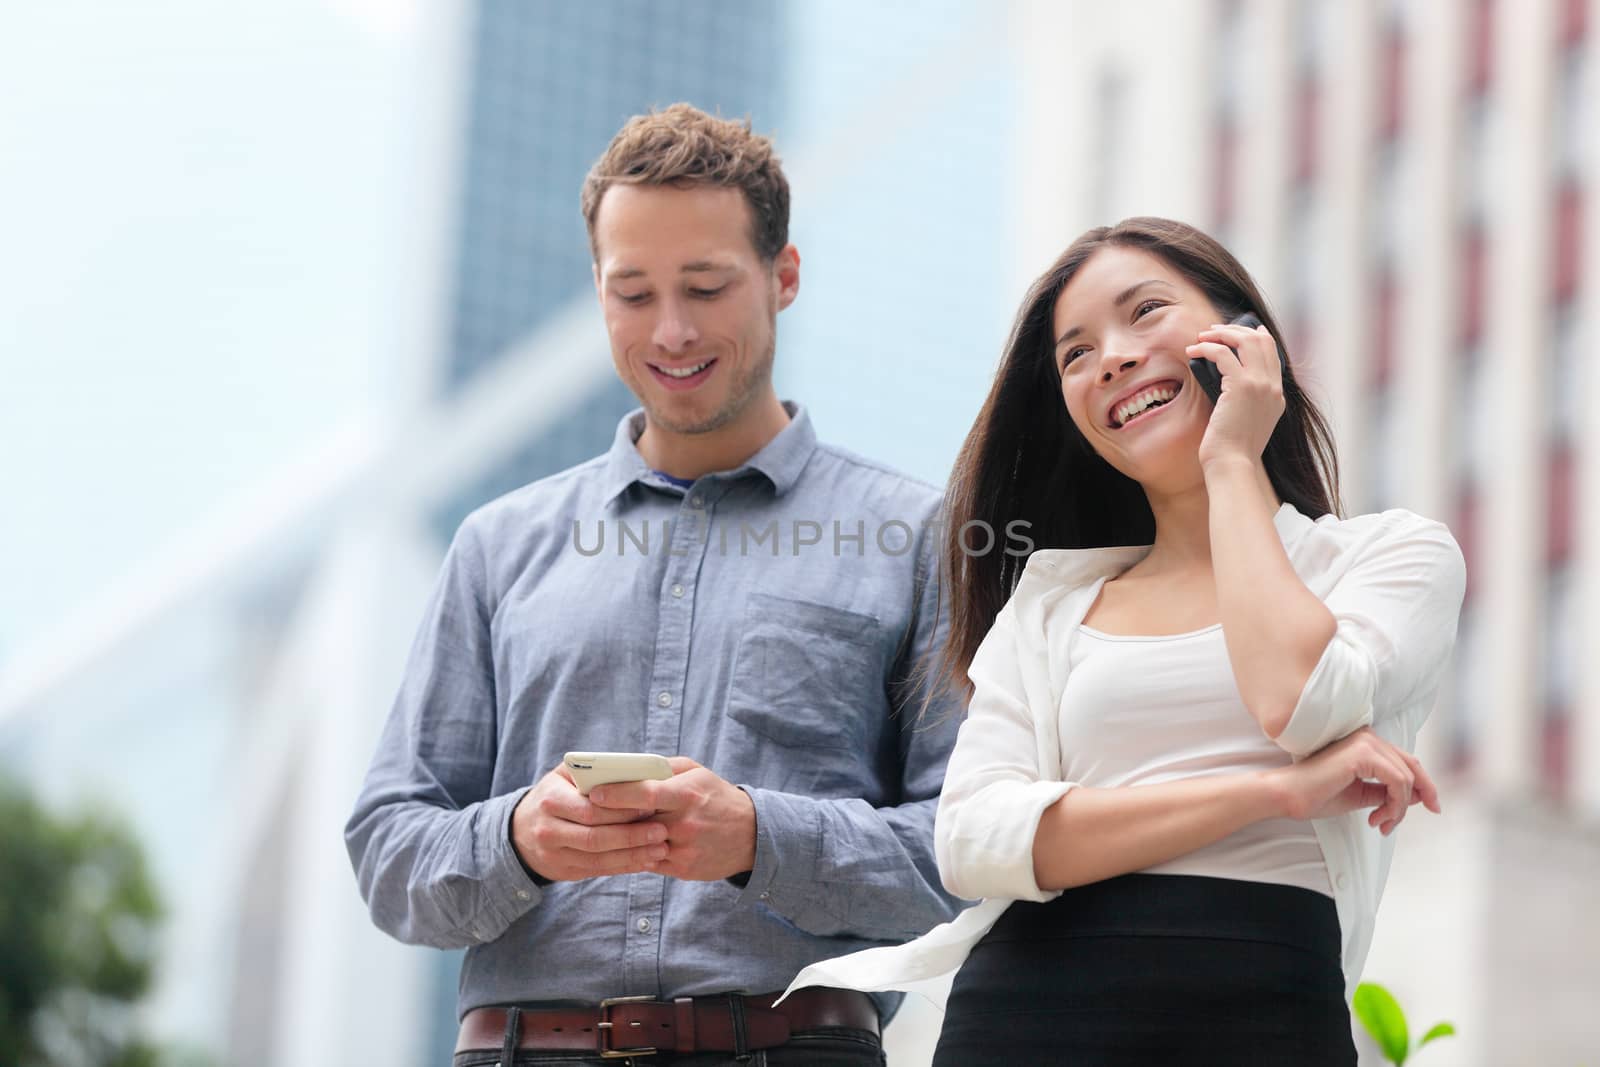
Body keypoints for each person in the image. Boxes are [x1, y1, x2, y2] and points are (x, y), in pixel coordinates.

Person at [345, 104, 964, 1067]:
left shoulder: (914, 538)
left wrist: (763, 836)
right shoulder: (496, 546)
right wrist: (518, 838)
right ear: (597, 290)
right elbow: (388, 851)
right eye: (633, 292)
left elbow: (966, 850)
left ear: (783, 276)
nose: (671, 331)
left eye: (706, 286)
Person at [784, 217, 1466, 1064]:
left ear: (1244, 339)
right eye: (1075, 354)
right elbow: (972, 838)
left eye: (1145, 311)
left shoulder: (1391, 556)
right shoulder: (1051, 603)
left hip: (1265, 1006)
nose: (1109, 356)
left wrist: (1230, 463)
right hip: (1028, 1013)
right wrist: (1273, 795)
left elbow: (1298, 700)